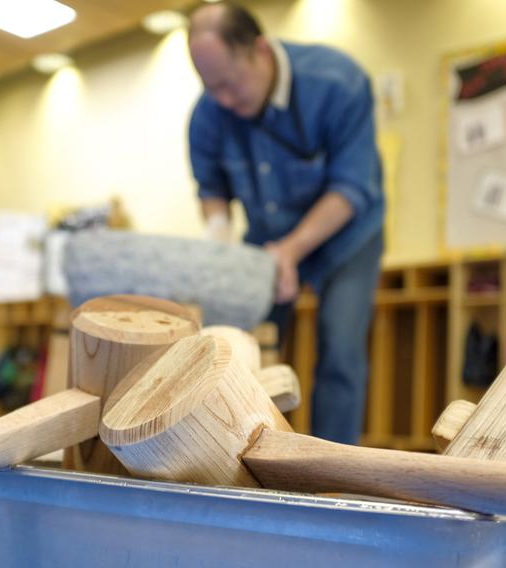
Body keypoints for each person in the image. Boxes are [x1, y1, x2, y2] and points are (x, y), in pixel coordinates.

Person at [187, 3, 385, 444]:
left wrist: (292, 251)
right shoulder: (208, 114)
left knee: (340, 348)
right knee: (244, 344)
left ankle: (332, 474)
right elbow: (212, 191)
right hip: (265, 241)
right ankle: (247, 451)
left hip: (347, 238)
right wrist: (218, 244)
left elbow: (352, 189)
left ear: (258, 49)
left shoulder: (338, 83)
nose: (222, 100)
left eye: (230, 84)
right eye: (209, 87)